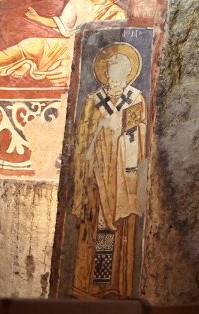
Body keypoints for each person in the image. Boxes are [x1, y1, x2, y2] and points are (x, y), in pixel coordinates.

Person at [70, 42, 147, 297]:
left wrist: (121, 135)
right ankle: (88, 284)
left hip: (121, 178)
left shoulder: (135, 99)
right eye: (111, 68)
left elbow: (138, 136)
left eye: (120, 69)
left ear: (127, 73)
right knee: (94, 226)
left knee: (116, 228)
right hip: (96, 174)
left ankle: (113, 284)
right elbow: (83, 137)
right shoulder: (93, 101)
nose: (114, 73)